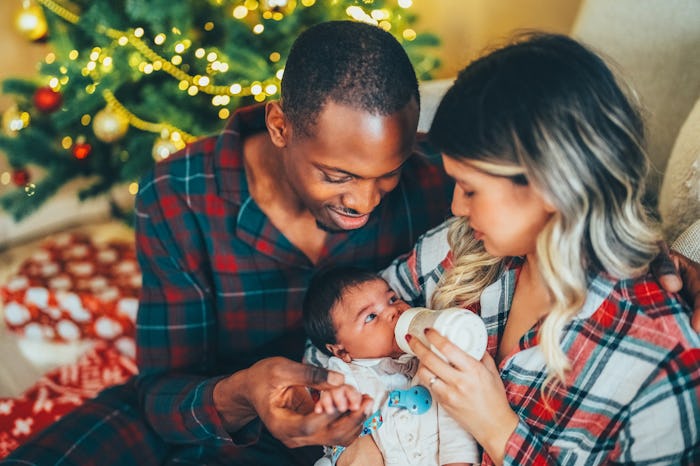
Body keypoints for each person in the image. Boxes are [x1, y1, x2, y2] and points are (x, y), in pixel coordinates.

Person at [3, 21, 698, 466]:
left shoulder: (443, 191)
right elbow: (163, 392)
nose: (366, 203)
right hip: (232, 407)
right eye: (337, 175)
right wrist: (260, 390)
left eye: (388, 178)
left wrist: (661, 260)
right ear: (279, 127)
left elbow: (594, 231)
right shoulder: (180, 198)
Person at [385, 33, 700, 464]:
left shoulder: (658, 363)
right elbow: (353, 318)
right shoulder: (463, 247)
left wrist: (499, 430)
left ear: (554, 186)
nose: (456, 206)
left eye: (472, 190)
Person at [302, 266, 478, 466]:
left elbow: (454, 423)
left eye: (392, 299)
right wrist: (335, 402)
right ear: (342, 351)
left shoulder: (429, 360)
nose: (393, 312)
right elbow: (338, 412)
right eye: (370, 316)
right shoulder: (344, 373)